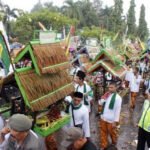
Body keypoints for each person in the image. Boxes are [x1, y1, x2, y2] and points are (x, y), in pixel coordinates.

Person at [98, 82, 122, 150]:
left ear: (116, 88)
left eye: (111, 87)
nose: (109, 89)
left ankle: (114, 143)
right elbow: (100, 103)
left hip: (111, 120)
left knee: (113, 134)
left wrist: (115, 121)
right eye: (109, 87)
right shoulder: (107, 95)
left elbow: (118, 110)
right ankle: (104, 146)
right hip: (103, 117)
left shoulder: (118, 98)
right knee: (103, 133)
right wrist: (103, 98)